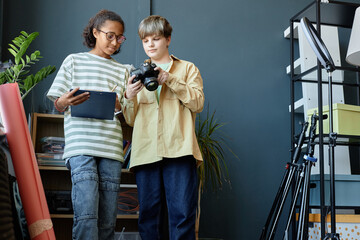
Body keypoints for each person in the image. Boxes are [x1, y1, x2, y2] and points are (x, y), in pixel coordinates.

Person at [47, 9, 128, 240]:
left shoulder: (123, 70)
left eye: (119, 37)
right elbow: (59, 104)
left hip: (111, 150)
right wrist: (65, 100)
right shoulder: (74, 61)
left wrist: (118, 104)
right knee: (86, 215)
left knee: (107, 220)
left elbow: (124, 110)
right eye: (110, 36)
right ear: (95, 32)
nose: (115, 42)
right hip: (81, 147)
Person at [123, 15, 205, 240]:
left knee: (182, 215)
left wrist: (170, 80)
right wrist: (129, 96)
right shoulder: (135, 74)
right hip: (145, 152)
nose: (150, 44)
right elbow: (130, 119)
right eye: (145, 40)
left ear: (168, 39)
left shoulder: (187, 69)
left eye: (156, 39)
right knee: (148, 217)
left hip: (179, 150)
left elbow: (197, 103)